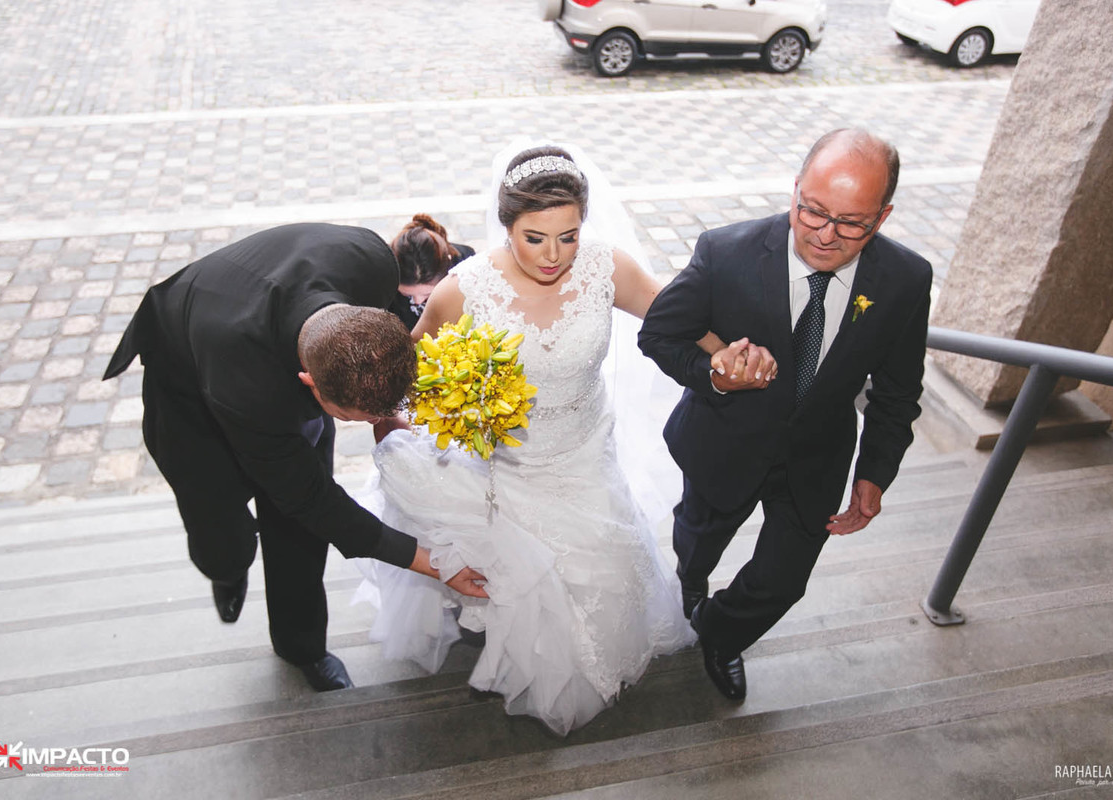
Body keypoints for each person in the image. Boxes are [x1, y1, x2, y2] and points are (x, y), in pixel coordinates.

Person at [353, 145, 702, 735]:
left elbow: (677, 312)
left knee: (604, 573)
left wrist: (729, 354)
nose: (553, 254)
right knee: (521, 583)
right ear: (506, 223)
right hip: (505, 465)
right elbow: (409, 376)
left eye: (568, 236)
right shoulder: (463, 290)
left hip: (586, 450)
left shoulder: (605, 268)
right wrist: (435, 413)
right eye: (534, 237)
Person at [103, 223, 488, 693]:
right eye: (354, 418)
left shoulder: (371, 260)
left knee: (299, 535)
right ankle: (226, 568)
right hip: (189, 397)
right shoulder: (250, 391)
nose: (370, 423)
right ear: (310, 385)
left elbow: (307, 510)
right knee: (224, 536)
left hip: (280, 348)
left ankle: (301, 647)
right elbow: (314, 500)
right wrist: (431, 562)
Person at [638, 128, 933, 702]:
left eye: (851, 223)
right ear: (795, 188)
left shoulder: (906, 279)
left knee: (785, 581)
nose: (825, 235)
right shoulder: (725, 252)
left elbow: (898, 390)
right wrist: (716, 375)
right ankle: (689, 587)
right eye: (813, 211)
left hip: (817, 458)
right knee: (698, 538)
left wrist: (874, 474)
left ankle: (721, 636)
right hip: (722, 443)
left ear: (884, 215)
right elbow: (660, 333)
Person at [388, 213, 476, 331]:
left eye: (427, 295)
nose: (418, 302)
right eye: (407, 295)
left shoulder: (466, 267)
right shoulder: (383, 280)